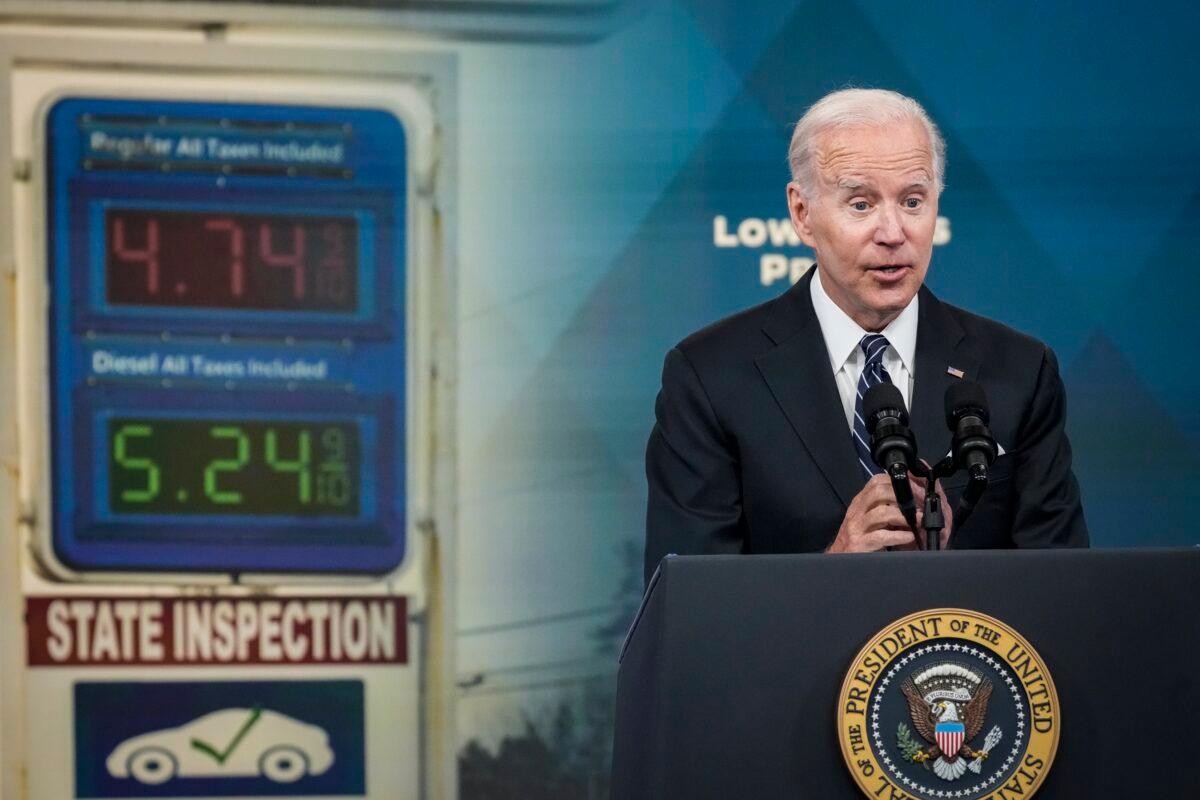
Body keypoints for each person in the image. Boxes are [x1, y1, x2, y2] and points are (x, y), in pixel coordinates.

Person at [644, 88, 1088, 584]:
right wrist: (834, 569)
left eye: (913, 201)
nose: (893, 231)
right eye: (861, 204)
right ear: (802, 213)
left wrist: (944, 552)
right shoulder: (709, 377)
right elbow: (690, 612)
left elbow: (1063, 595)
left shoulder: (1021, 372)